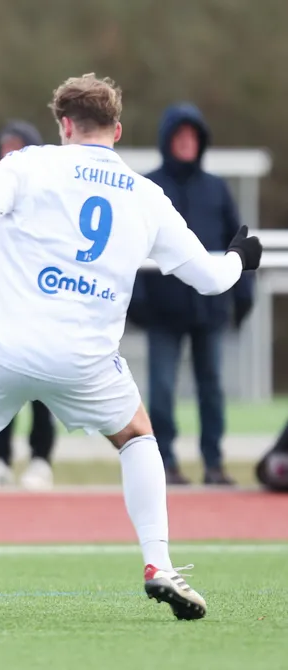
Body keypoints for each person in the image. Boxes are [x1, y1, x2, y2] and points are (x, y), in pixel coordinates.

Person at [0, 73, 263, 624]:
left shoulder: (27, 163)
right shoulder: (145, 193)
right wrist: (240, 257)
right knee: (138, 437)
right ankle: (158, 564)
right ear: (117, 129)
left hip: (2, 346)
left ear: (64, 124)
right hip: (85, 360)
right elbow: (210, 278)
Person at [129, 103, 254, 486]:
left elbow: (239, 242)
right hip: (162, 313)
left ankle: (213, 463)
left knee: (212, 390)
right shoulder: (147, 187)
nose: (186, 143)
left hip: (209, 311)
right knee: (162, 391)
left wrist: (242, 294)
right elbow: (130, 246)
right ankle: (165, 463)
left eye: (192, 137)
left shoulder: (216, 189)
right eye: (179, 136)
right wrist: (138, 304)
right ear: (167, 141)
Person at [0, 120, 57, 490]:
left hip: (42, 307)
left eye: (17, 147)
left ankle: (41, 459)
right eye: (3, 147)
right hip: (2, 309)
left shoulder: (50, 197)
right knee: (2, 386)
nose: (8, 155)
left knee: (42, 387)